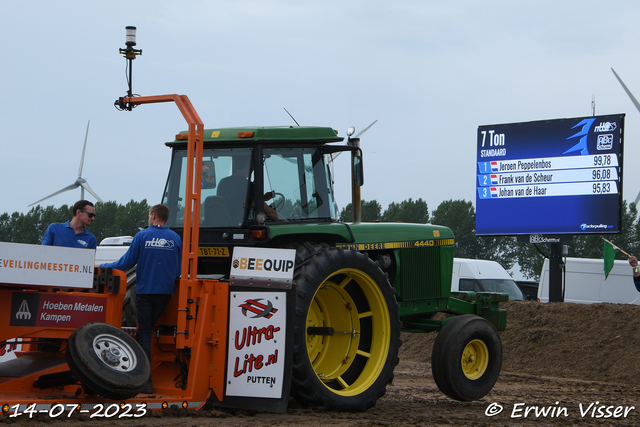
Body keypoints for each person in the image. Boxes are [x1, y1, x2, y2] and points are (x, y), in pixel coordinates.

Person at [100, 204, 182, 394]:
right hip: (166, 294)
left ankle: (145, 380)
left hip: (145, 291)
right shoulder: (176, 238)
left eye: (148, 215)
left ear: (153, 216)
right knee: (149, 330)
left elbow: (125, 263)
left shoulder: (142, 236)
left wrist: (103, 265)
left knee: (143, 332)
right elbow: (178, 270)